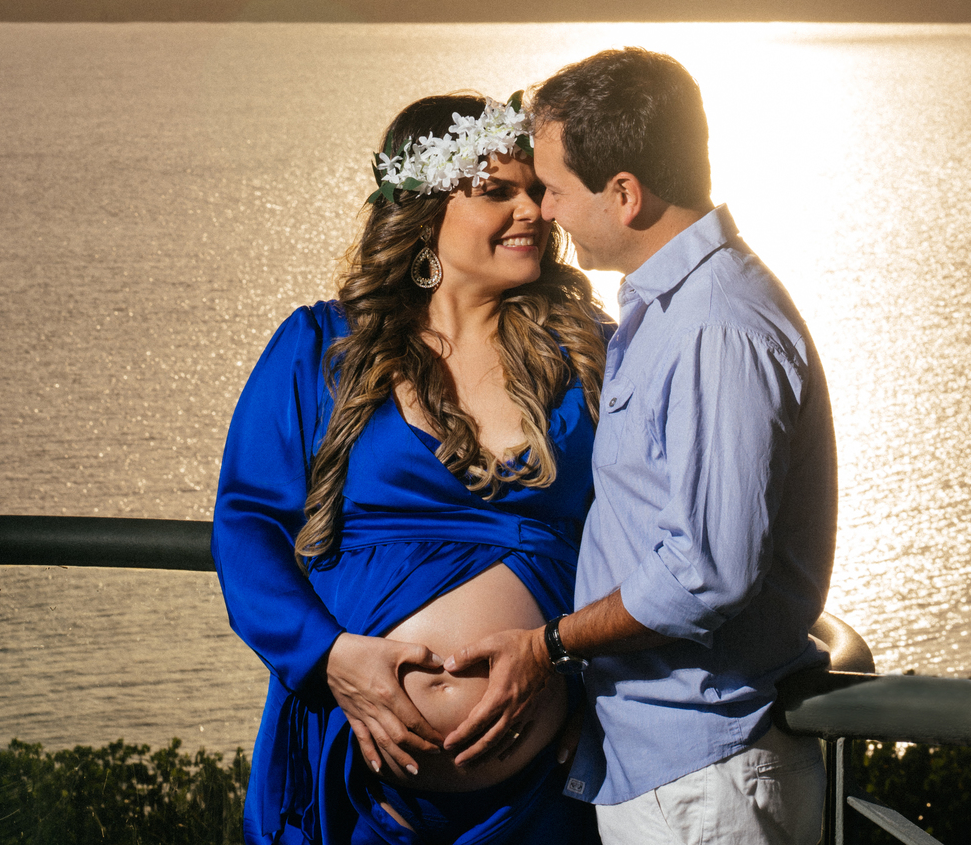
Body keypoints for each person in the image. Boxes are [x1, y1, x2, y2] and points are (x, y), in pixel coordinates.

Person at [440, 48, 838, 845]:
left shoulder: (713, 329)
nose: (545, 212)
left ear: (624, 194)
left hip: (703, 780)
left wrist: (549, 646)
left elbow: (707, 572)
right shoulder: (669, 310)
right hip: (669, 768)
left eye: (554, 189)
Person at [211, 92, 609, 845]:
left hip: (542, 791)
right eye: (496, 192)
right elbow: (247, 525)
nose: (532, 210)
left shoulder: (587, 352)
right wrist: (329, 658)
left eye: (535, 190)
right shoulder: (321, 349)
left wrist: (590, 678)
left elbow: (642, 536)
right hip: (355, 773)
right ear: (424, 211)